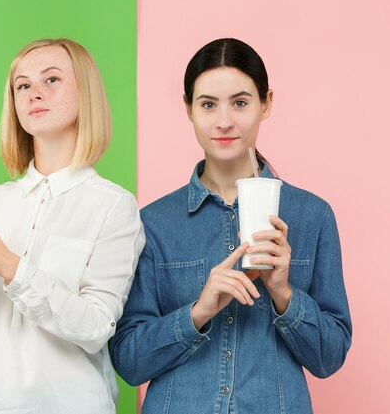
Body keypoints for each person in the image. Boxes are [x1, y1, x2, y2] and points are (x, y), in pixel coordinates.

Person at [110, 38, 352, 414]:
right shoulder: (154, 223)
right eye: (208, 104)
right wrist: (197, 312)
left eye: (240, 103)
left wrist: (283, 292)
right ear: (188, 108)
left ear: (266, 103)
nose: (224, 121)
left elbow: (330, 358)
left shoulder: (312, 216)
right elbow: (129, 360)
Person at [0, 38, 145, 414]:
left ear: (85, 93)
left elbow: (95, 327)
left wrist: (8, 266)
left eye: (52, 80)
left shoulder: (113, 206)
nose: (33, 94)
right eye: (22, 85)